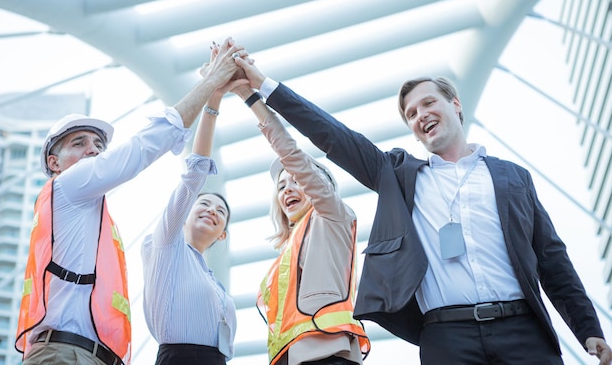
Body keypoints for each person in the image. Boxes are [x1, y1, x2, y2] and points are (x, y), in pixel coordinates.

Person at [233, 55, 612, 365]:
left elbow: (551, 257)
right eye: (411, 114)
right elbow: (333, 134)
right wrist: (264, 87)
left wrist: (588, 328)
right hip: (447, 338)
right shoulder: (398, 175)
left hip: (523, 332)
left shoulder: (513, 178)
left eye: (428, 103)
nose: (420, 115)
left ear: (455, 105)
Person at [14, 38, 247, 365]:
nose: (93, 150)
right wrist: (210, 85)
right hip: (65, 353)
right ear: (54, 163)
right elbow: (144, 148)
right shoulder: (69, 183)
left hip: (91, 355)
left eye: (98, 144)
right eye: (79, 143)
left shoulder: (92, 216)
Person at [230, 84, 370, 365]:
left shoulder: (332, 216)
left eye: (297, 181)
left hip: (328, 353)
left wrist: (251, 99)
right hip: (290, 357)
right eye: (281, 186)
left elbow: (293, 157)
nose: (288, 189)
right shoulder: (287, 253)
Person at [140, 44, 244, 365]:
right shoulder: (166, 244)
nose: (212, 210)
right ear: (184, 217)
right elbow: (194, 174)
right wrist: (212, 100)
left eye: (221, 212)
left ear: (223, 235)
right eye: (204, 204)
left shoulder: (214, 281)